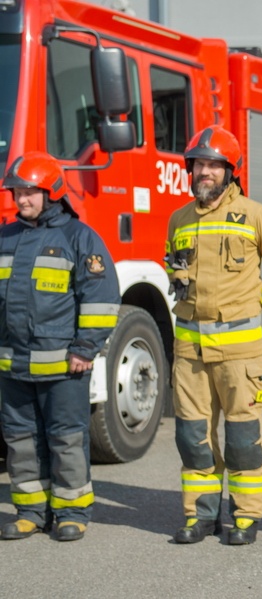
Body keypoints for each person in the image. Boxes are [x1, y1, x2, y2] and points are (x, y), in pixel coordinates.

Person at [164, 125, 262, 545]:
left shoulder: (257, 216)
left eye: (213, 165)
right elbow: (174, 270)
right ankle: (199, 516)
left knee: (242, 440)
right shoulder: (178, 220)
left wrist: (254, 305)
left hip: (240, 354)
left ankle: (245, 516)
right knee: (192, 439)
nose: (204, 171)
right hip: (189, 353)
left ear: (229, 171)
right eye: (198, 164)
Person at [0, 152, 120, 542]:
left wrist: (85, 348)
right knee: (20, 440)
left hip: (64, 367)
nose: (21, 200)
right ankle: (30, 511)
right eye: (17, 192)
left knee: (66, 438)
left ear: (51, 192)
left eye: (30, 192)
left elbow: (100, 299)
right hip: (12, 365)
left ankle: (71, 511)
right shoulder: (5, 237)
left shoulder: (79, 237)